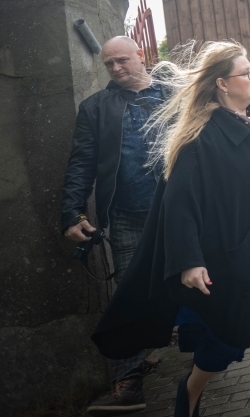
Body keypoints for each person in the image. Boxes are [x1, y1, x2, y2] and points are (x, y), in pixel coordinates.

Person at [91, 41, 250, 417]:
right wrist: (189, 260)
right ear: (222, 83)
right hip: (231, 255)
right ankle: (191, 389)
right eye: (245, 72)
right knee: (225, 345)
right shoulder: (199, 136)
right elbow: (179, 205)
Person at [61, 36, 167, 415]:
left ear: (141, 55)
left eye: (122, 60)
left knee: (197, 280)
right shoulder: (95, 107)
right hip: (127, 214)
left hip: (181, 211)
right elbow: (81, 163)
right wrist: (72, 213)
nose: (116, 68)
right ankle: (129, 382)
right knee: (128, 293)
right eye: (109, 64)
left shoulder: (174, 95)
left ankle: (204, 359)